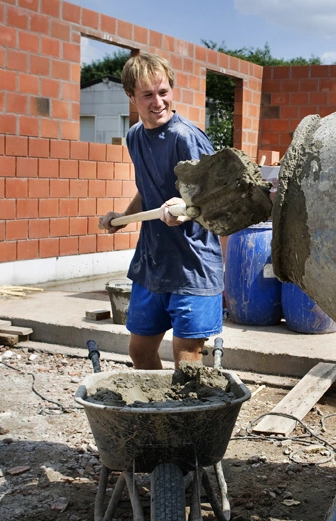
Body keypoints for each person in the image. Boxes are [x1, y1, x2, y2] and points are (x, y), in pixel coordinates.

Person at [99, 53, 222, 370]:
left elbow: (216, 198)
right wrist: (121, 218)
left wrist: (185, 210)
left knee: (187, 360)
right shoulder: (134, 137)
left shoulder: (186, 138)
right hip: (152, 264)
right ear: (131, 97)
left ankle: (186, 418)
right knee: (140, 352)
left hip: (192, 265)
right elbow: (148, 186)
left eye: (163, 92)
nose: (158, 102)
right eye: (147, 95)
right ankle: (157, 416)